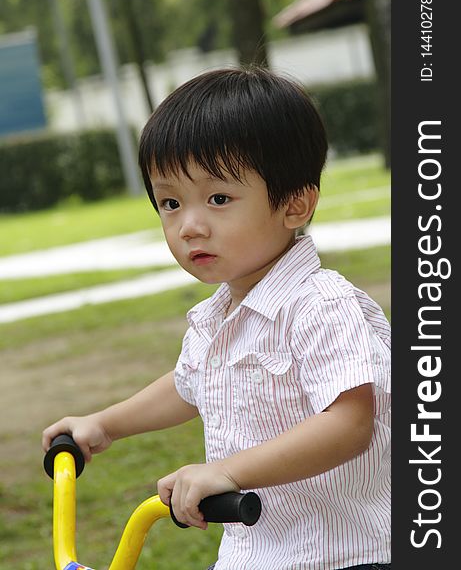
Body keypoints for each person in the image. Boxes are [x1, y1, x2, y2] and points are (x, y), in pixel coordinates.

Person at [42, 67, 391, 570]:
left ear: (295, 204)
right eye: (170, 202)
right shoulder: (220, 316)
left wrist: (227, 471)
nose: (189, 226)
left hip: (346, 555)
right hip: (256, 556)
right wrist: (105, 425)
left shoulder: (320, 306)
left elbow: (350, 423)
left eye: (219, 199)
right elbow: (191, 382)